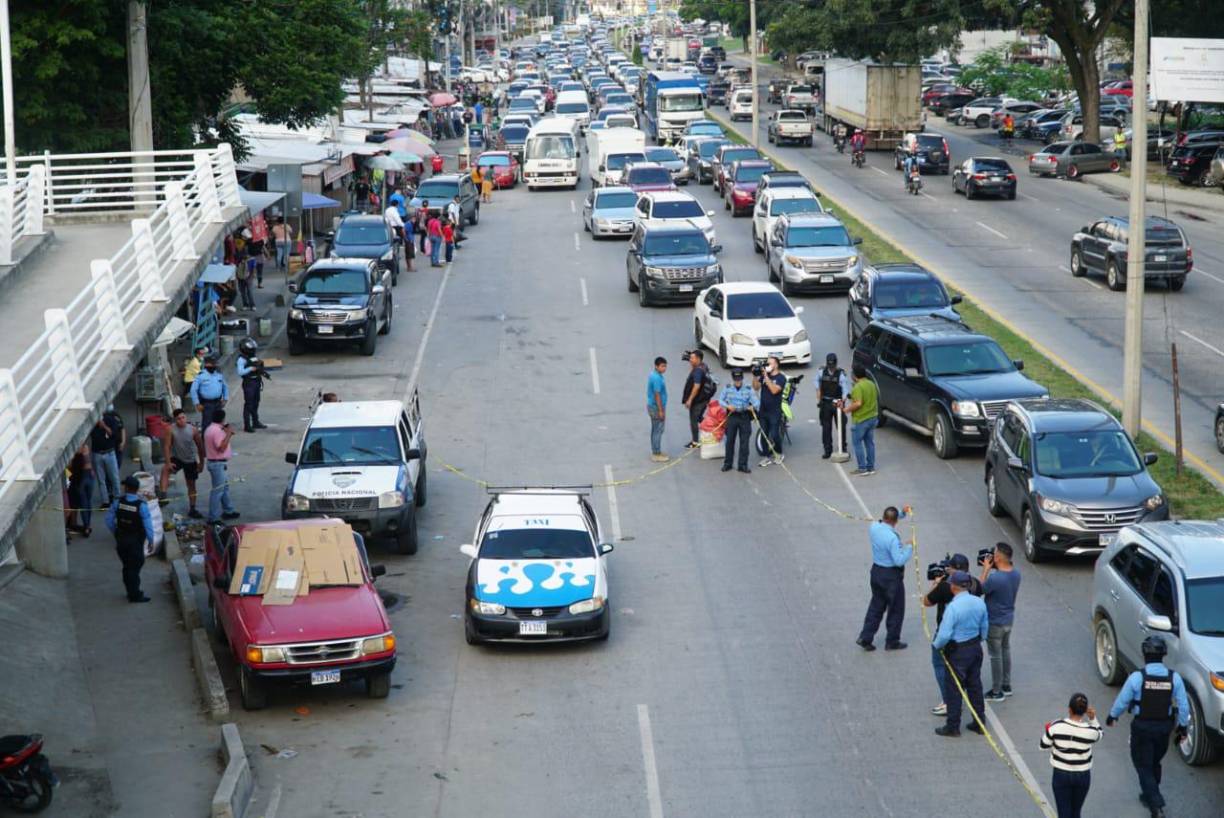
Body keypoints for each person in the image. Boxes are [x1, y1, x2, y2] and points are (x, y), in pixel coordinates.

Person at [1106, 635, 1189, 818]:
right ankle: (1148, 795)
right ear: (1163, 655)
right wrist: (1182, 728)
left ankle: (1156, 804)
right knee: (1153, 762)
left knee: (1143, 765)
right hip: (1164, 729)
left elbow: (1122, 700)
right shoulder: (1174, 678)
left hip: (1142, 728)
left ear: (1144, 654)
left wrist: (1113, 716)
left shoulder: (1137, 677)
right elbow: (1183, 706)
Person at [932, 571, 989, 737]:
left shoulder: (953, 608)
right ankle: (979, 722)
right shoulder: (979, 602)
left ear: (954, 586)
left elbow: (944, 634)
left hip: (958, 652)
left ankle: (953, 726)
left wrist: (937, 646)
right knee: (975, 686)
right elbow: (984, 626)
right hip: (974, 648)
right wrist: (980, 639)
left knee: (954, 689)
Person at [922, 553, 980, 715]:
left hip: (949, 636)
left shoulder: (945, 587)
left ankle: (949, 702)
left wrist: (936, 583)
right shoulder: (974, 584)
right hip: (971, 637)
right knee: (970, 674)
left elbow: (926, 602)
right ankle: (973, 707)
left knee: (940, 664)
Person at [856, 506, 912, 652]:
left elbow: (888, 519)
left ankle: (865, 637)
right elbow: (899, 560)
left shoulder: (874, 527)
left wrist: (902, 513)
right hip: (891, 576)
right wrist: (909, 548)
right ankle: (892, 641)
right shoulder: (892, 538)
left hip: (876, 572)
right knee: (896, 608)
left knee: (876, 606)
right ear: (895, 521)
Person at [1041, 692, 1102, 818]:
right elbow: (1099, 734)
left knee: (1064, 812)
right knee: (1076, 811)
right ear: (1085, 711)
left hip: (1061, 775)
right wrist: (1093, 719)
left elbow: (1042, 745)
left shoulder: (1056, 725)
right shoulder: (1090, 732)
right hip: (1083, 775)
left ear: (1069, 709)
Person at [980, 541, 1022, 702]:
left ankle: (996, 691)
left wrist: (985, 569)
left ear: (997, 558)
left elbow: (980, 588)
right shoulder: (1016, 574)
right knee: (1005, 650)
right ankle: (1006, 685)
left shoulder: (996, 578)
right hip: (1008, 619)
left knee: (995, 656)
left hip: (995, 621)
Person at [105, 474, 156, 603]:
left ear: (127, 488)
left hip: (121, 539)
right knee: (135, 566)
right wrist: (151, 540)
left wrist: (116, 533)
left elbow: (109, 520)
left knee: (127, 566)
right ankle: (135, 595)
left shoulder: (118, 502)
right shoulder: (141, 506)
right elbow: (148, 525)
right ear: (136, 489)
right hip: (135, 541)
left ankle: (130, 591)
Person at [159, 409, 205, 519]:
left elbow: (200, 447)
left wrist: (201, 463)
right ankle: (163, 497)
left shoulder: (193, 430)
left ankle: (192, 508)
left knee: (191, 485)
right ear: (175, 420)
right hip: (177, 458)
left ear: (186, 417)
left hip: (190, 460)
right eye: (179, 419)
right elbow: (167, 446)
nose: (182, 420)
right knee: (165, 470)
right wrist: (168, 462)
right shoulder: (170, 429)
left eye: (183, 417)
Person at [203, 410, 241, 525]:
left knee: (224, 488)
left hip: (215, 463)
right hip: (218, 463)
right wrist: (228, 434)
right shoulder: (217, 431)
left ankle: (228, 510)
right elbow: (221, 447)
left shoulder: (210, 428)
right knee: (218, 490)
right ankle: (213, 517)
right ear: (223, 419)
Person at [718, 368, 758, 473]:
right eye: (736, 379)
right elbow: (720, 400)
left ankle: (743, 465)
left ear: (742, 378)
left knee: (744, 442)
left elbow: (757, 402)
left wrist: (752, 406)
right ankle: (728, 464)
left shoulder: (748, 388)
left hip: (744, 416)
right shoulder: (728, 388)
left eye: (739, 379)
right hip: (732, 416)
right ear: (732, 378)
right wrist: (727, 406)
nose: (738, 381)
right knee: (729, 441)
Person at [842, 363, 878, 475]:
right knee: (869, 443)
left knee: (857, 443)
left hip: (861, 419)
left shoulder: (858, 387)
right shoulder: (871, 384)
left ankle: (862, 468)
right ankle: (871, 467)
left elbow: (858, 403)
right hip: (872, 417)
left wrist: (846, 409)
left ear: (855, 375)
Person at [816, 353, 849, 459]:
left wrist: (843, 400)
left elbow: (845, 389)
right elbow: (817, 383)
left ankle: (843, 447)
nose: (831, 367)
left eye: (833, 365)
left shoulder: (841, 374)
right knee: (826, 428)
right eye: (829, 365)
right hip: (825, 403)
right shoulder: (821, 372)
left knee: (841, 426)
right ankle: (827, 450)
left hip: (838, 403)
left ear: (836, 363)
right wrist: (819, 396)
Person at [754, 356, 786, 467]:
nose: (767, 366)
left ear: (776, 365)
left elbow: (774, 390)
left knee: (774, 434)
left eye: (770, 364)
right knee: (763, 434)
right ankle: (766, 457)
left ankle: (779, 453)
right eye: (766, 364)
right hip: (763, 410)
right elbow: (756, 387)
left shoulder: (781, 378)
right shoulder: (763, 377)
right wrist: (756, 375)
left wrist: (766, 377)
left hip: (774, 411)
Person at [681, 350, 714, 449]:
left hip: (698, 400)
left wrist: (690, 400)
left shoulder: (698, 371)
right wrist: (691, 363)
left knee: (693, 420)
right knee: (699, 417)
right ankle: (712, 428)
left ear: (698, 359)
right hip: (704, 398)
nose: (690, 360)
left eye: (692, 358)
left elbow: (696, 386)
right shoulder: (703, 366)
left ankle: (695, 442)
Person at [236, 338, 268, 433]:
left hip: (256, 381)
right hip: (249, 383)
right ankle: (247, 425)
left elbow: (258, 366)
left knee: (256, 402)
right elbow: (240, 372)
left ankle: (255, 422)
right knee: (249, 404)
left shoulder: (253, 356)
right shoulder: (241, 359)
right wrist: (250, 368)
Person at [90, 415, 123, 507]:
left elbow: (113, 434)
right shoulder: (92, 423)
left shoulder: (110, 419)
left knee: (114, 477)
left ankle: (117, 498)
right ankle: (105, 501)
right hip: (97, 453)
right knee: (101, 479)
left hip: (109, 453)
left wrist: (104, 426)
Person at [190, 354, 228, 430]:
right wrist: (197, 403)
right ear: (206, 364)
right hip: (207, 404)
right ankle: (206, 440)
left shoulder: (218, 375)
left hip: (218, 403)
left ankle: (218, 440)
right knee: (207, 424)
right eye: (212, 363)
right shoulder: (201, 376)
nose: (214, 365)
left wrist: (225, 398)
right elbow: (193, 390)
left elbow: (225, 387)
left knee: (219, 423)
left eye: (215, 363)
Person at [67, 442, 95, 536]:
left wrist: (69, 477)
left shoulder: (72, 451)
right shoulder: (85, 447)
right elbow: (88, 463)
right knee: (87, 502)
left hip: (79, 479)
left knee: (82, 503)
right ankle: (87, 525)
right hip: (88, 476)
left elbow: (69, 467)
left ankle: (85, 526)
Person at [647, 356, 668, 462]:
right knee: (658, 430)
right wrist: (661, 410)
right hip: (656, 407)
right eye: (662, 366)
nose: (664, 368)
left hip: (652, 406)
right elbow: (657, 394)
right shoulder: (657, 378)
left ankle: (656, 450)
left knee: (655, 429)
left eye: (665, 366)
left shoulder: (656, 375)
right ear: (656, 366)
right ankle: (656, 453)